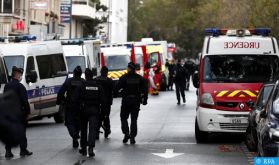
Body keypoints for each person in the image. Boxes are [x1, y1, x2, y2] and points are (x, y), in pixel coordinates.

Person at [115, 62, 148, 144]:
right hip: (136, 101)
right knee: (134, 120)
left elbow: (117, 88)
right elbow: (145, 90)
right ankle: (132, 137)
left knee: (123, 117)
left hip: (126, 101)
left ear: (129, 68)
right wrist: (145, 100)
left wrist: (116, 94)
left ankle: (126, 133)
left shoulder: (124, 77)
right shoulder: (140, 78)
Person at [3, 66, 32, 158]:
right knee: (22, 131)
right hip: (19, 113)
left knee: (8, 131)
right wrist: (28, 112)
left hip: (8, 112)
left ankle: (8, 151)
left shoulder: (7, 86)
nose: (21, 76)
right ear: (17, 74)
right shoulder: (20, 86)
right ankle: (23, 150)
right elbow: (24, 101)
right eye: (20, 74)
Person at [56, 66, 85, 149]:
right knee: (78, 123)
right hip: (80, 106)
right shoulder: (83, 82)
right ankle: (75, 138)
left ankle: (75, 136)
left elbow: (61, 92)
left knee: (69, 123)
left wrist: (59, 101)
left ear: (74, 73)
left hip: (70, 106)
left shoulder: (69, 81)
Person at [79, 68, 104, 157]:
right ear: (92, 75)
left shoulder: (82, 85)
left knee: (83, 130)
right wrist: (103, 113)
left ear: (85, 76)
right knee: (93, 129)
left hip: (84, 110)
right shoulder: (98, 86)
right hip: (95, 110)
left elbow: (77, 98)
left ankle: (83, 148)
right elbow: (103, 100)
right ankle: (90, 148)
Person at [95, 66, 114, 139]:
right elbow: (113, 91)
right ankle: (107, 130)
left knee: (97, 117)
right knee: (106, 117)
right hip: (107, 103)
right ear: (107, 72)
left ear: (101, 72)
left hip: (97, 102)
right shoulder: (110, 81)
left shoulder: (96, 80)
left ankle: (96, 131)